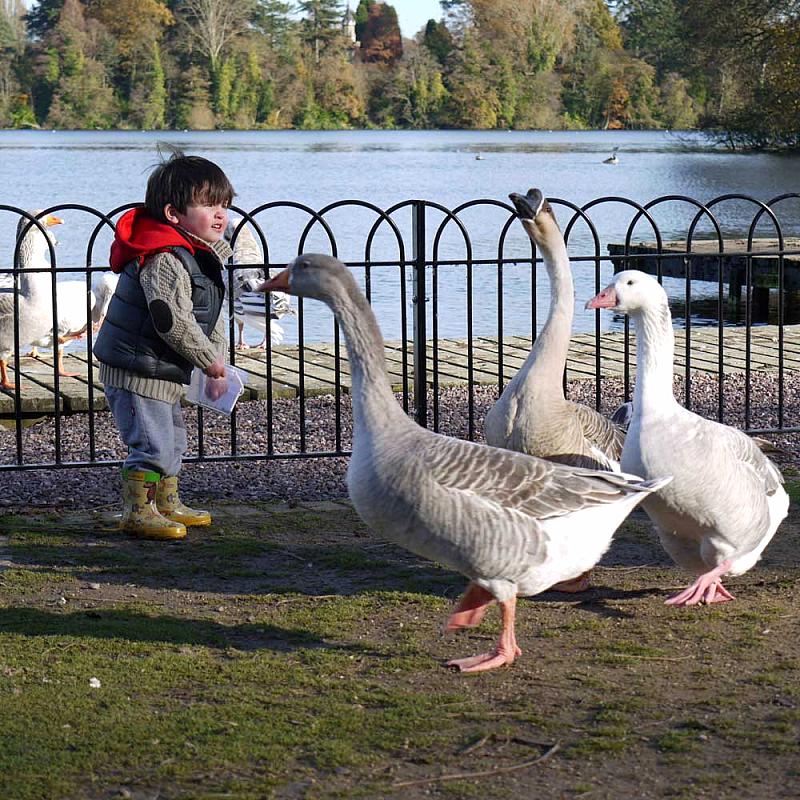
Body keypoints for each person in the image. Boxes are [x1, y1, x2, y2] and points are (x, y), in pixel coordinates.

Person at [94, 147, 235, 540]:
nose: (221, 214)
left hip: (159, 368)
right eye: (209, 205)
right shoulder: (164, 258)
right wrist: (209, 361)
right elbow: (172, 320)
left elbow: (209, 314)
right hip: (137, 367)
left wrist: (217, 354)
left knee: (173, 441)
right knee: (152, 444)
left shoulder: (197, 256)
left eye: (224, 204)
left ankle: (165, 503)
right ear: (174, 214)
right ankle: (138, 510)